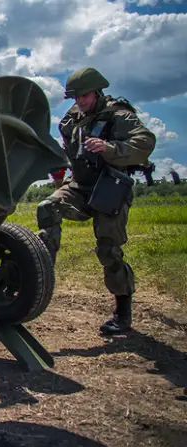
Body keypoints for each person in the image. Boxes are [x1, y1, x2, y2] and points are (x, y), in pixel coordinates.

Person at [35, 67, 155, 335]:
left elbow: (145, 142)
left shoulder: (118, 115)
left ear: (97, 91)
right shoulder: (71, 119)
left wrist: (111, 149)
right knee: (47, 207)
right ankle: (43, 272)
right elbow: (68, 149)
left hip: (110, 187)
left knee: (108, 251)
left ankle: (122, 313)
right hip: (79, 185)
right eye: (75, 97)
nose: (80, 101)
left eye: (84, 96)